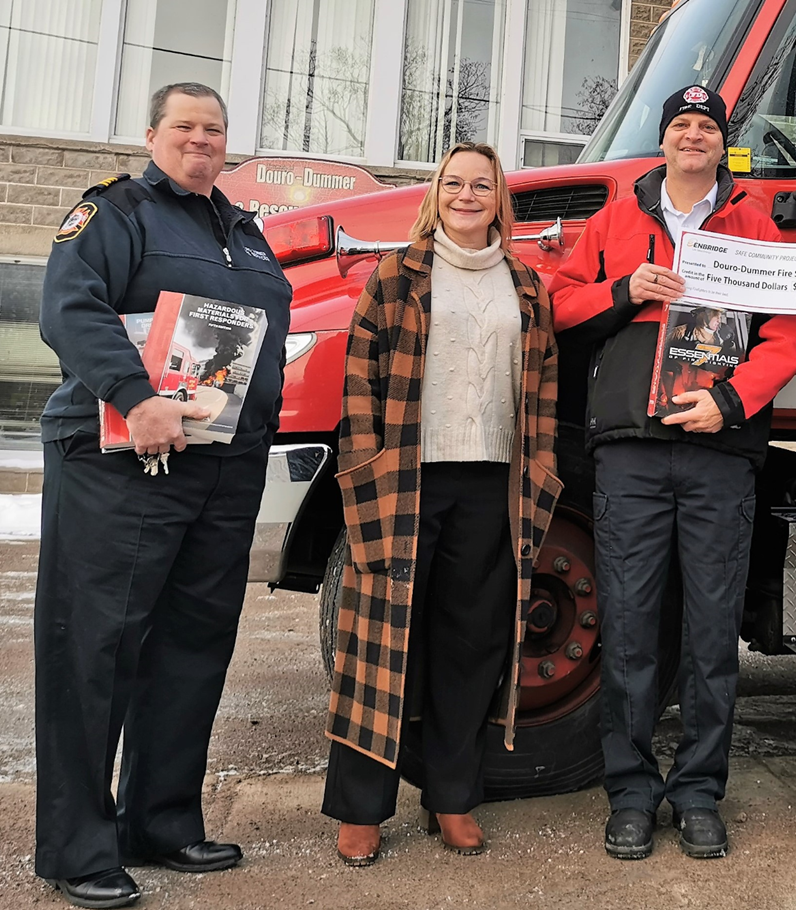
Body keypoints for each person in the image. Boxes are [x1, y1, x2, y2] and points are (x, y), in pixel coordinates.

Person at [33, 83, 293, 908]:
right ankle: (79, 847)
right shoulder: (117, 212)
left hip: (220, 467)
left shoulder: (246, 233)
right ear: (153, 135)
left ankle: (162, 818)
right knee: (97, 650)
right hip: (122, 457)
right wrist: (133, 397)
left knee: (191, 645)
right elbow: (69, 310)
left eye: (214, 129)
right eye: (184, 126)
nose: (201, 140)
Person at [548, 85, 796, 860]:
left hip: (718, 452)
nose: (692, 135)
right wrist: (622, 289)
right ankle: (629, 792)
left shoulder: (752, 222)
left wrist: (730, 402)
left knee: (707, 634)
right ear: (663, 141)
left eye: (705, 126)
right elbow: (556, 304)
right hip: (628, 447)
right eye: (681, 125)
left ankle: (697, 791)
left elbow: (787, 331)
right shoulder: (613, 219)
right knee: (626, 627)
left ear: (719, 144)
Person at [324, 142, 562, 867]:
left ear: (498, 199)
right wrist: (363, 475)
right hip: (405, 479)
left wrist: (542, 466)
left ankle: (452, 797)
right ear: (437, 194)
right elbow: (358, 387)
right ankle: (362, 808)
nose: (466, 196)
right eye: (454, 184)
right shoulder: (396, 275)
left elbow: (544, 390)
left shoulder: (526, 285)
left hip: (491, 482)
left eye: (480, 186)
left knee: (472, 644)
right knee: (379, 642)